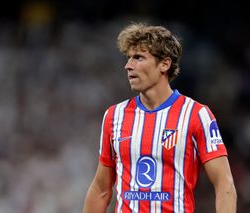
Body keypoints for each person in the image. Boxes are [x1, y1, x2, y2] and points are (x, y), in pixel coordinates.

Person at [83, 23, 237, 213]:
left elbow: (224, 185)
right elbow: (101, 189)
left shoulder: (196, 115)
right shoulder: (115, 116)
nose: (128, 66)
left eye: (138, 58)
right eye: (129, 58)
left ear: (164, 64)